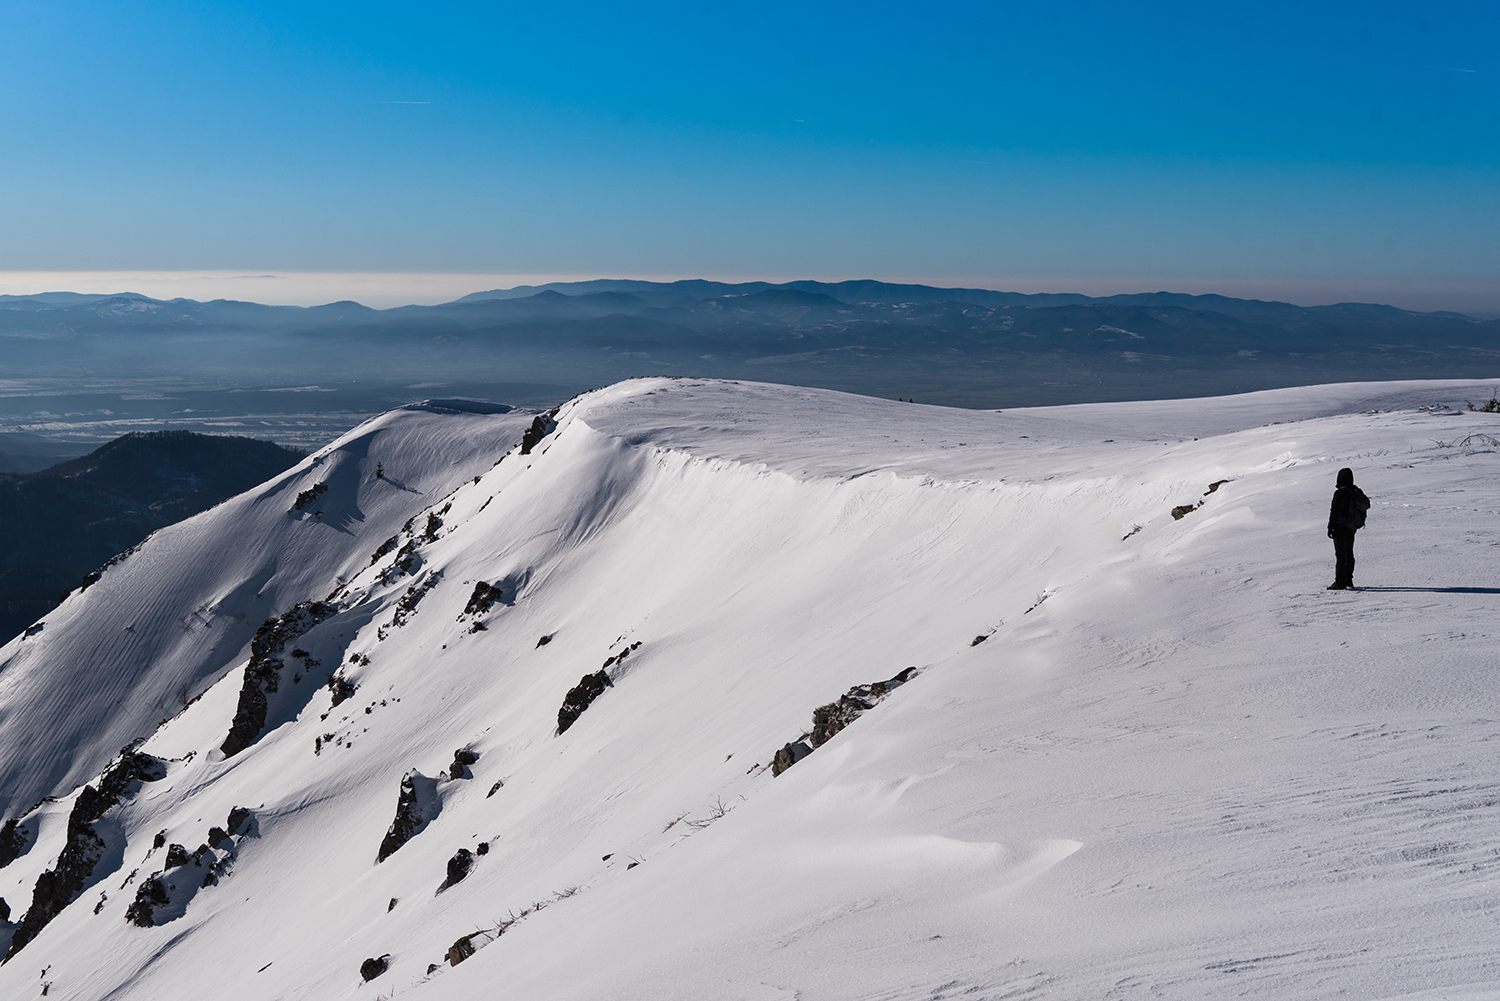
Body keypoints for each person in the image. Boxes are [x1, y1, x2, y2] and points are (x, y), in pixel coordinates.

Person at [1327, 467, 1370, 589]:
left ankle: (1340, 582)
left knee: (1341, 556)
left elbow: (1334, 511)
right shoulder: (1354, 491)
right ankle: (1348, 580)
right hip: (1351, 527)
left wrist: (1330, 527)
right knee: (1349, 554)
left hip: (1340, 527)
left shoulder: (1340, 493)